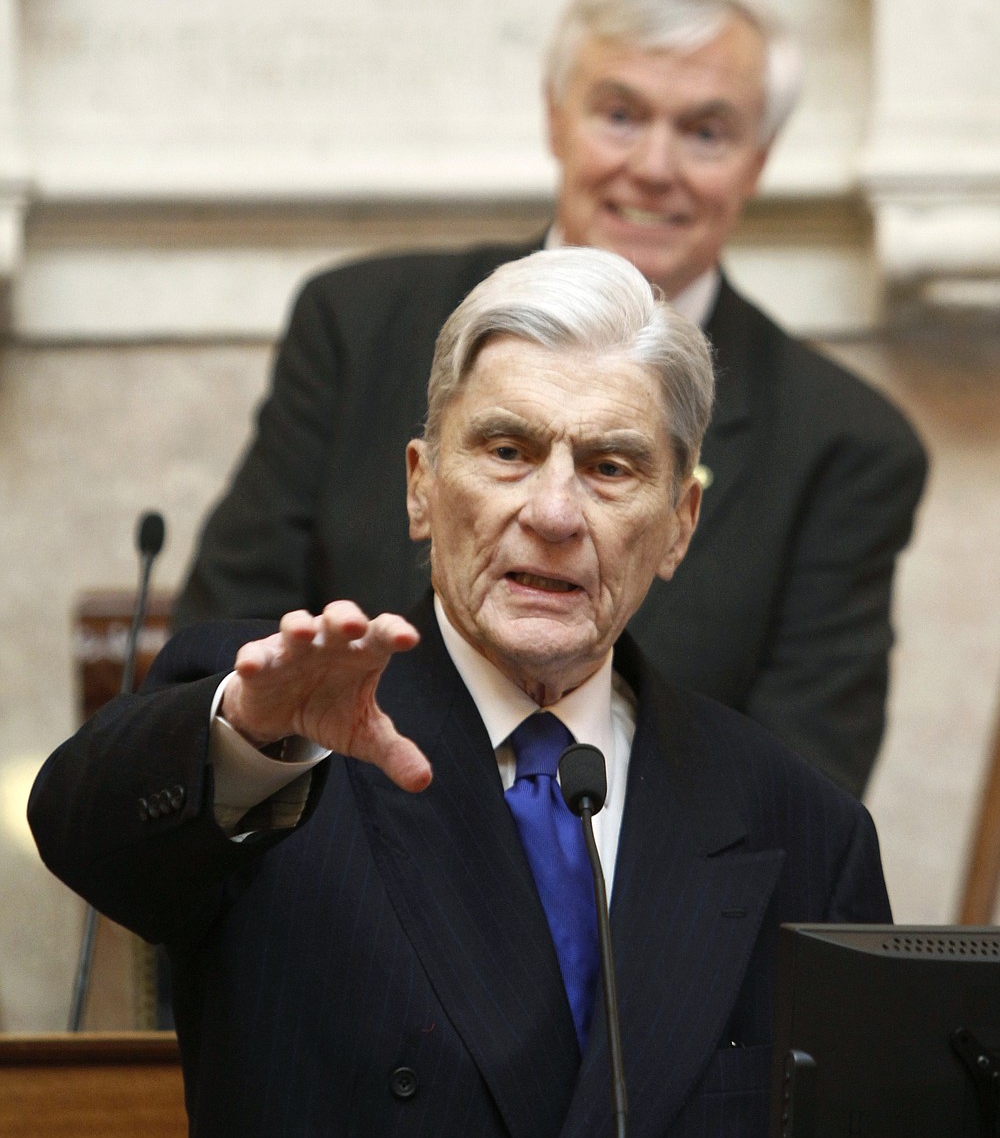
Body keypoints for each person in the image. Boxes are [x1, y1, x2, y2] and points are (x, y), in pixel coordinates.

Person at [31, 249, 890, 1138]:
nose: (554, 514)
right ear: (421, 486)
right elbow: (81, 833)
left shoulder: (802, 832)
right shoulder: (282, 737)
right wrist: (249, 742)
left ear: (678, 526)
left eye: (609, 467)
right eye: (508, 451)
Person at [172, 0, 927, 798]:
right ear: (555, 119)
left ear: (758, 161)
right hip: (344, 866)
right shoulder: (360, 326)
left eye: (706, 132)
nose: (653, 165)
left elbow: (801, 792)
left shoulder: (845, 443)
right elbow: (222, 650)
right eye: (618, 114)